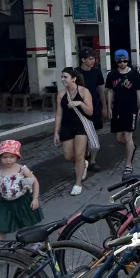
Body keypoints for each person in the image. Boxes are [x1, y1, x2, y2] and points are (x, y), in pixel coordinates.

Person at [0, 140, 41, 235]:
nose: (8, 160)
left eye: (11, 157)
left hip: (22, 201)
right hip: (6, 204)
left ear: (17, 157)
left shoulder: (21, 169)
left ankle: (35, 241)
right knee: (1, 227)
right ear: (0, 158)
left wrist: (35, 199)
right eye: (5, 157)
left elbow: (35, 182)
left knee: (27, 223)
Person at [105, 50, 140, 177]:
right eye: (120, 61)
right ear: (116, 61)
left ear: (128, 60)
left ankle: (128, 164)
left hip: (131, 108)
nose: (122, 63)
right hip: (117, 108)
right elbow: (110, 91)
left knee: (128, 137)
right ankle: (131, 147)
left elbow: (139, 92)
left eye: (125, 61)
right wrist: (109, 107)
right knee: (119, 138)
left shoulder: (135, 75)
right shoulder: (112, 75)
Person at [55, 67, 94, 196]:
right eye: (62, 77)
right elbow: (59, 114)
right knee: (68, 156)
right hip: (67, 127)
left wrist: (80, 103)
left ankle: (78, 183)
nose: (62, 79)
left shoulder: (84, 91)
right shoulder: (61, 95)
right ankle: (83, 164)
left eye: (65, 77)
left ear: (74, 78)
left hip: (81, 126)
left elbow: (90, 111)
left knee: (79, 155)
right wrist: (56, 131)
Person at [77, 49, 105, 170]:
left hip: (94, 106)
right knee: (81, 134)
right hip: (79, 107)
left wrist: (104, 106)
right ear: (83, 60)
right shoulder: (76, 72)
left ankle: (92, 161)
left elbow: (101, 91)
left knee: (94, 133)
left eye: (93, 58)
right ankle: (82, 159)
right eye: (89, 59)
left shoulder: (97, 72)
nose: (92, 61)